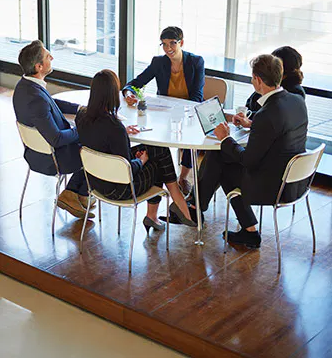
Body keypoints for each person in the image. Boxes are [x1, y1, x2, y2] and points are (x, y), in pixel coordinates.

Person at [174, 54, 308, 247]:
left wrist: (225, 138)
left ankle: (196, 209)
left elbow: (248, 161)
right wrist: (251, 124)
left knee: (222, 159)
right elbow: (278, 130)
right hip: (295, 180)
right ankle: (203, 211)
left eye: (252, 78)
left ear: (258, 80)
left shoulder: (267, 114)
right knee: (222, 155)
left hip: (272, 186)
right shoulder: (296, 101)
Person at [75, 69, 197, 231]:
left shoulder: (82, 116)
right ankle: (178, 204)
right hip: (120, 188)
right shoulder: (114, 127)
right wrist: (141, 160)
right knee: (158, 159)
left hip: (95, 182)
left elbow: (100, 139)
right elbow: (127, 172)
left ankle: (164, 211)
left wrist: (124, 132)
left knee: (157, 149)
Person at [13, 40, 95, 220]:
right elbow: (56, 139)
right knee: (96, 146)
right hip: (53, 159)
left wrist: (81, 109)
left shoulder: (25, 86)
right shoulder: (36, 98)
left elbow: (52, 104)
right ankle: (72, 192)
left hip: (35, 153)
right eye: (48, 56)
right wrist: (83, 128)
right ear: (39, 66)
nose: (52, 57)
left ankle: (81, 194)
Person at [122, 26, 205, 196]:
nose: (168, 49)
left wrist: (179, 109)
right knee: (153, 139)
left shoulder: (196, 62)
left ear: (181, 42)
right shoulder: (158, 62)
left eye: (172, 44)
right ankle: (155, 176)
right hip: (164, 113)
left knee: (189, 138)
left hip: (189, 111)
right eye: (164, 44)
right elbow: (135, 82)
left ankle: (183, 177)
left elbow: (197, 96)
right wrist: (128, 92)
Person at [245, 46, 305, 119]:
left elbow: (274, 116)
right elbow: (251, 101)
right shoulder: (271, 82)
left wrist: (249, 117)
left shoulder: (294, 92)